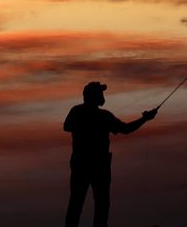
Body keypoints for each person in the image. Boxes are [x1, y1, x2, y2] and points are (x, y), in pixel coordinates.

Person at [63, 81, 157, 227]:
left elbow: (67, 126)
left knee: (80, 203)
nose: (102, 95)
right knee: (97, 204)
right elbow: (126, 129)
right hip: (97, 166)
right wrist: (145, 119)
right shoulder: (101, 115)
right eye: (100, 93)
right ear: (93, 96)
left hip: (82, 164)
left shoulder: (78, 111)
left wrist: (144, 119)